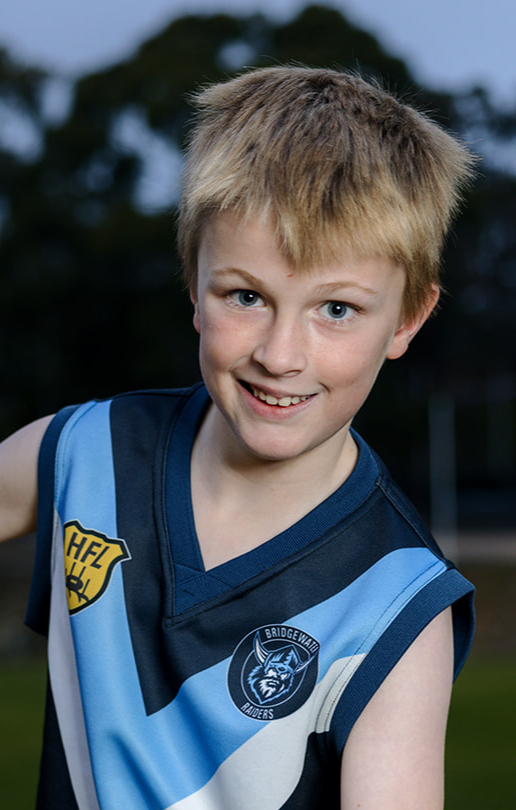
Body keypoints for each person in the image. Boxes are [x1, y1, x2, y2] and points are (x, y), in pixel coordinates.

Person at [0, 66, 475, 810]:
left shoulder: (396, 606)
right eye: (246, 296)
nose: (280, 355)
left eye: (337, 310)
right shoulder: (86, 453)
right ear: (195, 285)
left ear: (408, 319)